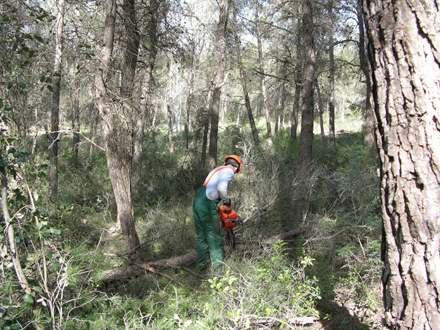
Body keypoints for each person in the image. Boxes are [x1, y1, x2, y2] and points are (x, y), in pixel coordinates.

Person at [193, 155, 242, 272]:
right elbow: (221, 188)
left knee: (201, 238)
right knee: (214, 237)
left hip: (197, 202)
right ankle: (218, 271)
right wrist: (226, 201)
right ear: (236, 168)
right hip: (207, 205)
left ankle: (201, 267)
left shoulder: (216, 170)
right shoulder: (229, 171)